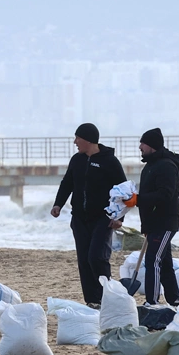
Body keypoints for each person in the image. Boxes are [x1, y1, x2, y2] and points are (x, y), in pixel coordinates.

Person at [51, 123, 127, 306]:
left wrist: (119, 218)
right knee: (84, 261)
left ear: (88, 140)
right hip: (79, 218)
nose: (75, 142)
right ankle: (92, 301)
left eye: (78, 138)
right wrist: (58, 204)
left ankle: (106, 297)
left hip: (103, 219)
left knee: (96, 257)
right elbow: (67, 183)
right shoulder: (77, 160)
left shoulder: (109, 161)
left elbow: (123, 191)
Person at [136, 128, 179, 306]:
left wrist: (139, 199)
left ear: (153, 146)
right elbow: (148, 195)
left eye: (143, 143)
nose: (140, 146)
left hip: (165, 222)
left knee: (153, 260)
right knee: (164, 263)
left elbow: (166, 195)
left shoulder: (167, 166)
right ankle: (175, 300)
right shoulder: (149, 167)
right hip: (153, 223)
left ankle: (152, 302)